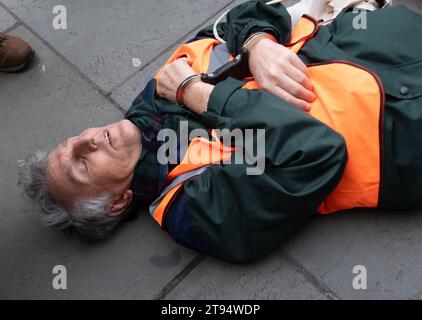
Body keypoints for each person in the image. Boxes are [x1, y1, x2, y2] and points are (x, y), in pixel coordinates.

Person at [18, 1, 422, 263]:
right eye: (82, 166)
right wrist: (199, 94)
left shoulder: (156, 93)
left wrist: (257, 42)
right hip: (404, 126)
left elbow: (240, 19)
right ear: (117, 203)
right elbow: (317, 152)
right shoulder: (194, 210)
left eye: (73, 142)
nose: (88, 141)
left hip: (389, 39)